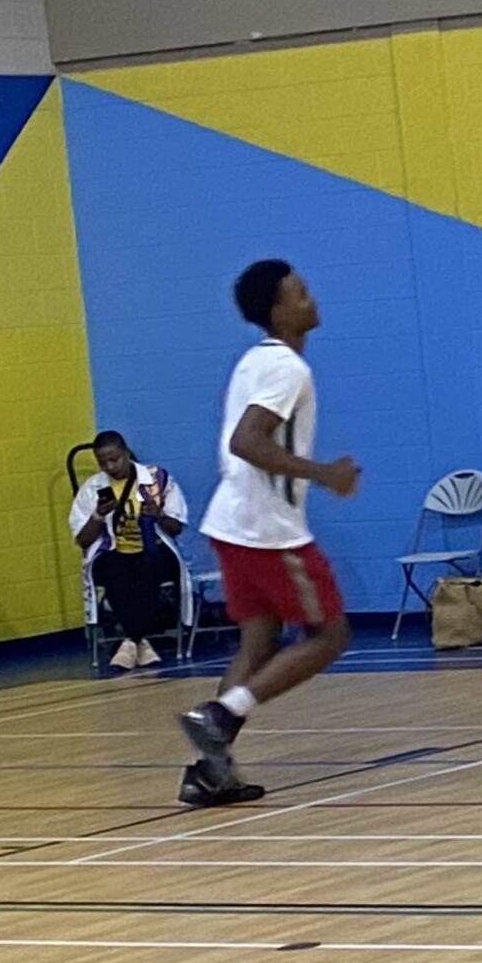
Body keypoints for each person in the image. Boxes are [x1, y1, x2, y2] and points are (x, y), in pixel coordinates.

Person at [177, 260, 362, 808]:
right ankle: (221, 714)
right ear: (279, 312)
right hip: (268, 529)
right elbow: (247, 441)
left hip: (232, 523)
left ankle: (209, 773)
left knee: (257, 643)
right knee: (329, 636)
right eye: (300, 293)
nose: (311, 299)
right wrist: (324, 473)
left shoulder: (254, 361)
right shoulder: (286, 368)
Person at [69, 429, 189, 670]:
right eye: (102, 462)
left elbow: (176, 528)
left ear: (126, 453)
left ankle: (130, 641)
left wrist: (158, 515)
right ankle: (139, 642)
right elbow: (82, 540)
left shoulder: (157, 480)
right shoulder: (93, 488)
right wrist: (98, 515)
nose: (109, 467)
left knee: (147, 565)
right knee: (113, 568)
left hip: (154, 550)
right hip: (114, 552)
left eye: (114, 459)